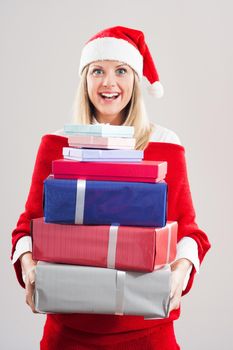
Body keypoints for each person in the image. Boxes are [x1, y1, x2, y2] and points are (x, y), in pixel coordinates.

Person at [11, 26, 211, 350]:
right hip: (69, 333)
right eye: (97, 71)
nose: (108, 83)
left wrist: (180, 272)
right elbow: (27, 226)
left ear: (135, 79)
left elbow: (190, 231)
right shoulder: (56, 145)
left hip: (148, 333)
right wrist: (29, 266)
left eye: (121, 70)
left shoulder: (165, 145)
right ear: (84, 80)